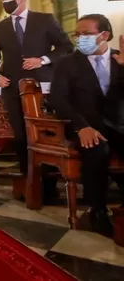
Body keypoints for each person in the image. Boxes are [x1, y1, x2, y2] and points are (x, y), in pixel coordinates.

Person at [0, 0, 73, 199]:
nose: (4, 2)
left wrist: (42, 60)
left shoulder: (44, 20)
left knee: (46, 135)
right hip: (13, 89)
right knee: (22, 135)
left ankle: (51, 186)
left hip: (42, 88)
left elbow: (66, 47)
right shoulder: (0, 28)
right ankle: (31, 182)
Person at [50, 14, 124, 237]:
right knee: (98, 150)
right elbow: (58, 99)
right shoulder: (67, 63)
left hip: (119, 125)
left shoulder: (119, 59)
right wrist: (81, 126)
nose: (80, 38)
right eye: (78, 34)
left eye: (87, 34)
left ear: (105, 35)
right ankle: (97, 210)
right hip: (84, 126)